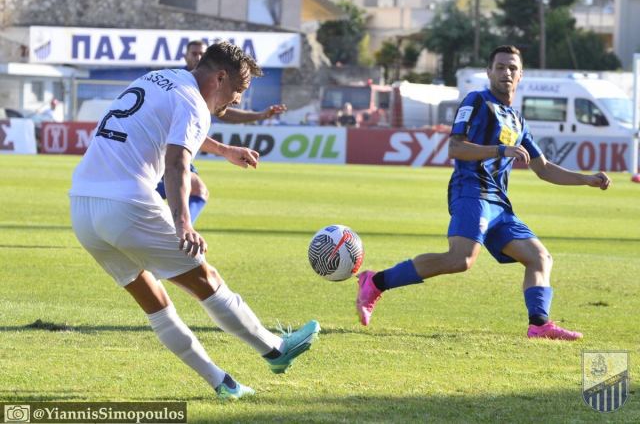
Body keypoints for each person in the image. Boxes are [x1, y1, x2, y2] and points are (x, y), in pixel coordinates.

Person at [69, 42, 320, 401]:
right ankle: (275, 349)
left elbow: (170, 129)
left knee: (154, 302)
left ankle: (223, 383)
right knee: (207, 280)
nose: (234, 101)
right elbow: (176, 163)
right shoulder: (194, 103)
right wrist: (182, 222)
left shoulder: (160, 78)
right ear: (219, 77)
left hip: (82, 205)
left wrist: (223, 150)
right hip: (126, 203)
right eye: (236, 91)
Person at [355, 45, 611, 340]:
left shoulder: (518, 121)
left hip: (499, 206)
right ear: (489, 72)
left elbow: (544, 168)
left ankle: (539, 325)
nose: (506, 72)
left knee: (540, 257)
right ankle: (376, 281)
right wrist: (501, 150)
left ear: (521, 75)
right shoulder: (476, 101)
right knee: (461, 260)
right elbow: (455, 147)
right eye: (500, 67)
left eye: (512, 68)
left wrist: (587, 179)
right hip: (471, 192)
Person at [155, 40, 287, 224]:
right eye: (194, 53)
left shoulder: (169, 79)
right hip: (139, 168)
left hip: (128, 166)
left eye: (201, 53)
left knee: (195, 189)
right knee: (188, 189)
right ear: (185, 56)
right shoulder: (188, 94)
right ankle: (177, 231)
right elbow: (176, 161)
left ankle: (174, 231)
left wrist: (226, 149)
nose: (198, 57)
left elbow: (219, 115)